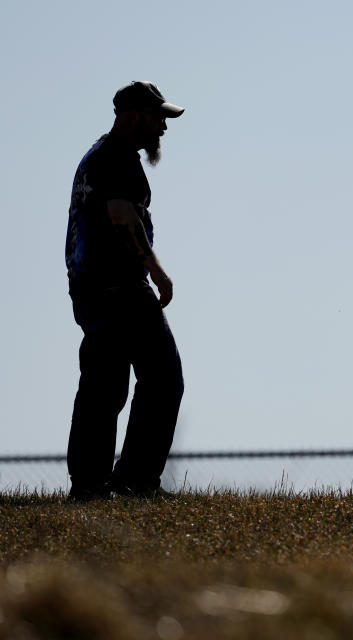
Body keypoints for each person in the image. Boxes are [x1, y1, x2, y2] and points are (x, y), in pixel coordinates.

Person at [64, 81, 186, 500]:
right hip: (122, 290)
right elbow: (121, 216)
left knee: (103, 386)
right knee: (163, 378)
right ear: (134, 115)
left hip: (89, 292)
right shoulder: (117, 159)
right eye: (158, 118)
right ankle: (135, 482)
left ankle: (88, 486)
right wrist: (156, 271)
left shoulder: (94, 157)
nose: (163, 128)